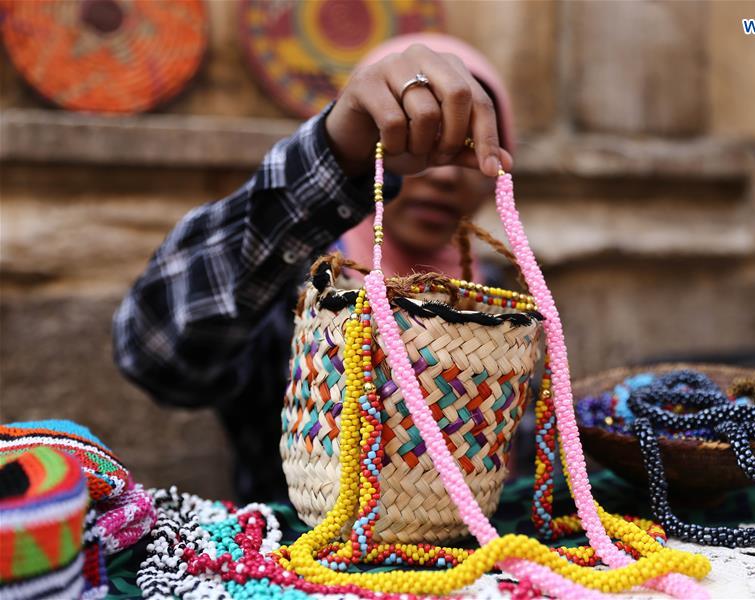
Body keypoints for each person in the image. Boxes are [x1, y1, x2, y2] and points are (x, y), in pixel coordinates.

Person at [112, 34, 516, 502]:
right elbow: (155, 354)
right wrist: (334, 153)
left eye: (464, 145)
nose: (445, 174)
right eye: (422, 135)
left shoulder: (499, 298)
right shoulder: (300, 284)